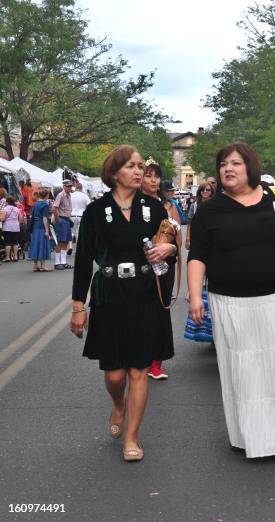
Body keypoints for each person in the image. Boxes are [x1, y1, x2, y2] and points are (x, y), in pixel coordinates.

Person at [187, 142, 275, 458]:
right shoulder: (209, 210)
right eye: (223, 163)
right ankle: (247, 436)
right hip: (229, 302)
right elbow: (197, 255)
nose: (229, 168)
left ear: (249, 166)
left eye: (236, 163)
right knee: (242, 366)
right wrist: (195, 296)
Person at [71, 145, 176, 462]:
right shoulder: (95, 211)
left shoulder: (154, 208)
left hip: (144, 293)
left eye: (141, 166)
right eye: (131, 166)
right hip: (109, 295)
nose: (139, 171)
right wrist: (79, 307)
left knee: (138, 371)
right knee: (115, 375)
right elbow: (83, 261)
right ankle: (118, 404)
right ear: (114, 172)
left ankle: (132, 437)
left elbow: (167, 241)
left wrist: (168, 249)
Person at [140, 159, 182, 380]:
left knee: (160, 311)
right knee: (139, 314)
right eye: (149, 175)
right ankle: (139, 359)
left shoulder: (168, 205)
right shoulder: (131, 204)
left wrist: (171, 248)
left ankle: (156, 363)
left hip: (163, 266)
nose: (153, 180)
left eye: (156, 176)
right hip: (139, 267)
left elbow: (178, 241)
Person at [184, 180, 216, 344]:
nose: (205, 192)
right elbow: (189, 222)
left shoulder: (218, 205)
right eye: (203, 190)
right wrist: (188, 238)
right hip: (199, 245)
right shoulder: (195, 206)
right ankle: (207, 330)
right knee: (202, 286)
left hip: (213, 249)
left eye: (208, 190)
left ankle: (213, 330)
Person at [28, 188, 52, 271]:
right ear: (46, 195)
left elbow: (32, 216)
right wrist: (47, 230)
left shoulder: (36, 204)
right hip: (41, 226)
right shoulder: (45, 205)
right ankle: (43, 265)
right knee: (42, 245)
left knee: (35, 244)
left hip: (35, 226)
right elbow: (45, 218)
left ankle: (35, 266)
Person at [52, 179, 73, 270]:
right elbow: (54, 208)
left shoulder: (69, 195)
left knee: (66, 241)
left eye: (70, 186)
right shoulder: (60, 195)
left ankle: (63, 262)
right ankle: (57, 263)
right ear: (63, 186)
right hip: (62, 219)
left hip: (67, 219)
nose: (69, 188)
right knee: (60, 241)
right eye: (68, 186)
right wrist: (58, 219)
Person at [70, 182, 91, 252]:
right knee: (79, 233)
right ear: (81, 188)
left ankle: (70, 246)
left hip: (72, 215)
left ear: (75, 187)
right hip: (81, 216)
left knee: (71, 231)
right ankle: (79, 249)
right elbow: (89, 206)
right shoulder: (85, 196)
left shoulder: (71, 195)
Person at [1, 197, 22, 262]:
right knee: (15, 242)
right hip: (16, 227)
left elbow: (2, 219)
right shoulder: (17, 209)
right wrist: (16, 222)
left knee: (8, 242)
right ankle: (15, 257)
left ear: (7, 202)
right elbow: (20, 219)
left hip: (7, 227)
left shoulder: (5, 209)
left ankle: (7, 257)